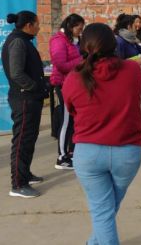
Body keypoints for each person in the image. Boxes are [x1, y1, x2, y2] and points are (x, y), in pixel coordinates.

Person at [62, 23, 141, 245]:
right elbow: (136, 93)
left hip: (89, 153)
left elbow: (71, 110)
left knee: (103, 210)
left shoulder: (73, 78)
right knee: (106, 209)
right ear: (113, 44)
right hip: (127, 152)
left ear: (84, 46)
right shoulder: (133, 70)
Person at [1, 11, 49, 198]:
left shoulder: (23, 40)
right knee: (21, 141)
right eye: (37, 24)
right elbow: (17, 74)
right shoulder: (18, 42)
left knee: (29, 138)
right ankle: (18, 184)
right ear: (28, 25)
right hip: (24, 100)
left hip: (30, 98)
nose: (39, 27)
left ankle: (25, 174)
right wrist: (35, 86)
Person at [49, 13, 85, 170]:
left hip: (74, 84)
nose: (80, 31)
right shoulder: (58, 40)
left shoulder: (73, 41)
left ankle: (70, 152)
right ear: (71, 26)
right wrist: (83, 61)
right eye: (79, 28)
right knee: (65, 121)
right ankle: (62, 157)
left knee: (72, 121)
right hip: (63, 84)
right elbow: (61, 64)